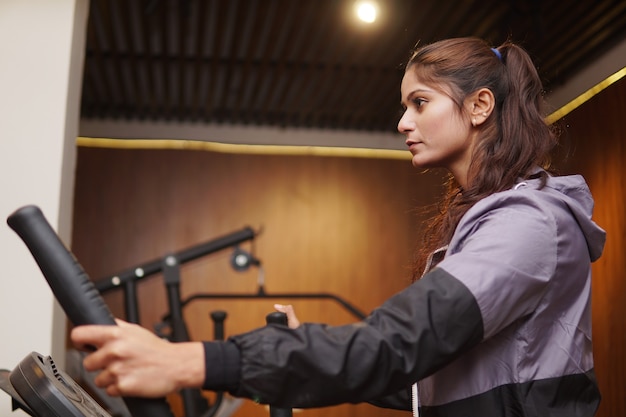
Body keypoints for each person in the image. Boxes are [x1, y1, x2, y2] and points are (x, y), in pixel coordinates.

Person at [70, 37, 606, 416]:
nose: (402, 123)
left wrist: (192, 361)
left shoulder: (528, 225)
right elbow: (427, 383)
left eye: (420, 103)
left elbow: (398, 343)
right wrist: (305, 351)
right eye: (404, 106)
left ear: (480, 106)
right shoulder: (484, 222)